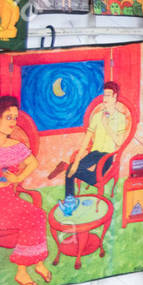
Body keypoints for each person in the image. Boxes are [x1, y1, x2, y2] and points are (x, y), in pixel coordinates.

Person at [0, 97, 51, 285]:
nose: (13, 122)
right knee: (29, 217)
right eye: (8, 117)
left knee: (37, 214)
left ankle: (36, 263)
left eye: (15, 117)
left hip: (9, 200)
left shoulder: (15, 146)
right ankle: (22, 271)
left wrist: (17, 178)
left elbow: (34, 163)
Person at [51, 82, 130, 210]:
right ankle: (70, 204)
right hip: (94, 153)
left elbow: (119, 143)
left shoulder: (121, 118)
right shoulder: (98, 116)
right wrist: (76, 161)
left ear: (115, 96)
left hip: (108, 155)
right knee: (71, 169)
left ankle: (65, 167)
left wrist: (107, 125)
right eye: (104, 95)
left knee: (94, 179)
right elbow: (87, 138)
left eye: (108, 95)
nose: (105, 98)